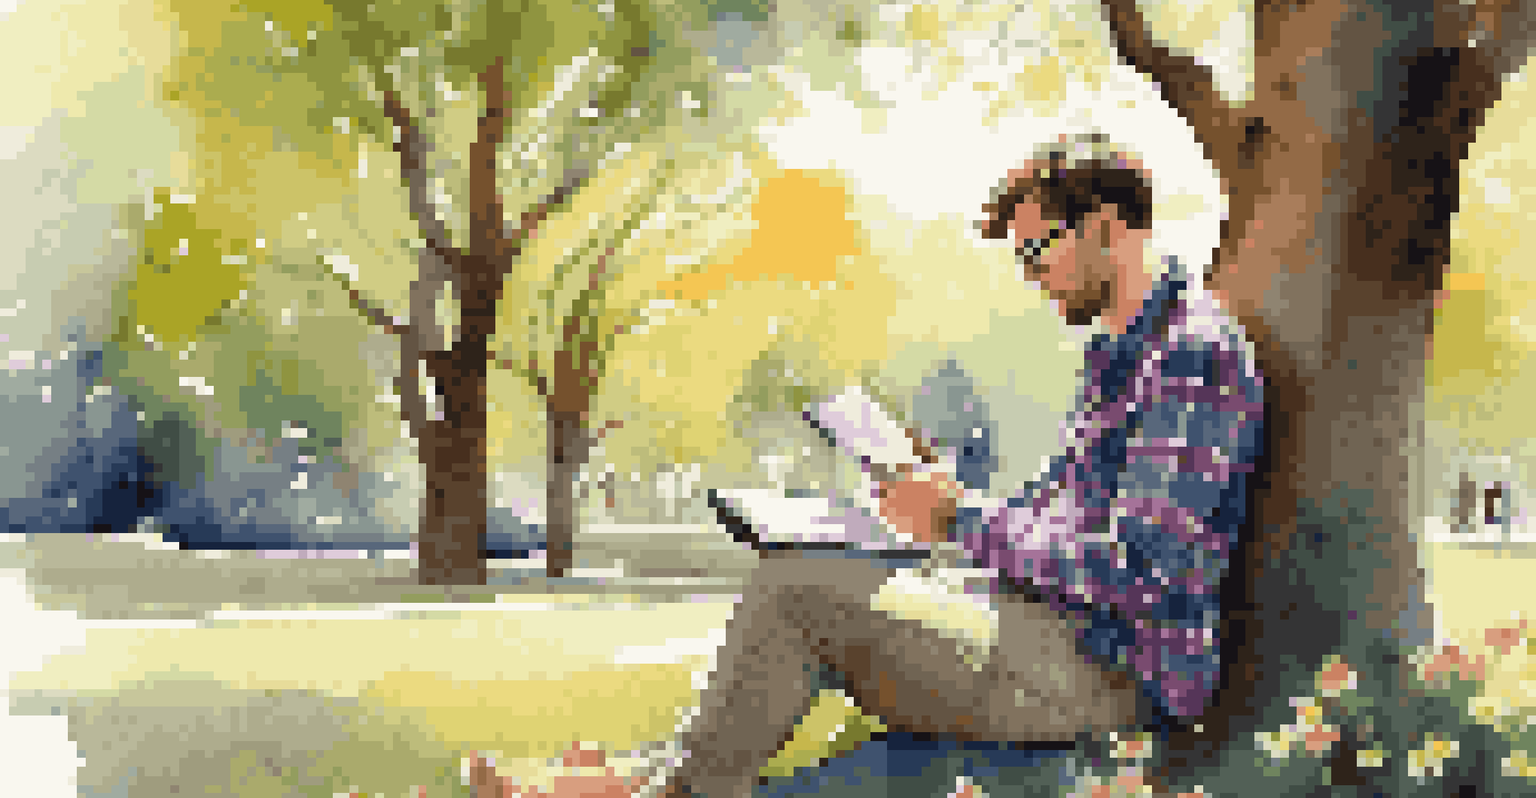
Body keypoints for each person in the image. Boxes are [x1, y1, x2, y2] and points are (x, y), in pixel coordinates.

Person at [472, 132, 1266, 798]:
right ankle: (628, 781)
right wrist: (939, 503)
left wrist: (958, 517)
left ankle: (647, 792)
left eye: (1038, 251)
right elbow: (1064, 522)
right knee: (811, 574)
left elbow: (1143, 569)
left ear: (1106, 227)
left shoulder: (1189, 354)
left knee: (793, 591)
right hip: (1050, 632)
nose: (1031, 276)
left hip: (1109, 672)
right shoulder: (1120, 356)